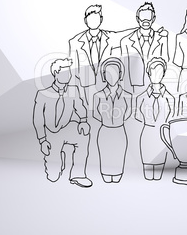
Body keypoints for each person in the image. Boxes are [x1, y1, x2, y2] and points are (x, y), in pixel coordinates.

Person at [32, 58, 92, 188]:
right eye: (64, 72)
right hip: (51, 132)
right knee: (53, 176)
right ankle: (56, 165)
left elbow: (80, 107)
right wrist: (42, 140)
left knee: (83, 135)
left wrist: (83, 121)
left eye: (69, 72)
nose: (68, 75)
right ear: (56, 73)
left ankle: (78, 174)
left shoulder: (73, 90)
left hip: (67, 127)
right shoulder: (43, 93)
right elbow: (38, 118)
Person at [92, 57, 133, 183]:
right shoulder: (97, 95)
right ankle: (105, 173)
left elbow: (129, 112)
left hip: (120, 130)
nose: (112, 76)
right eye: (108, 73)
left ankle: (117, 174)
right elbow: (95, 114)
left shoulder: (128, 95)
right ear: (104, 75)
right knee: (106, 155)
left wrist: (118, 121)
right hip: (104, 130)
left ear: (120, 74)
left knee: (118, 155)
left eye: (115, 72)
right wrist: (107, 121)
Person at [120, 2, 169, 93]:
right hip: (134, 85)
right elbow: (124, 66)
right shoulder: (126, 41)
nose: (145, 22)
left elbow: (166, 60)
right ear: (137, 19)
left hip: (155, 84)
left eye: (148, 19)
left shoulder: (162, 39)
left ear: (153, 19)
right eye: (142, 19)